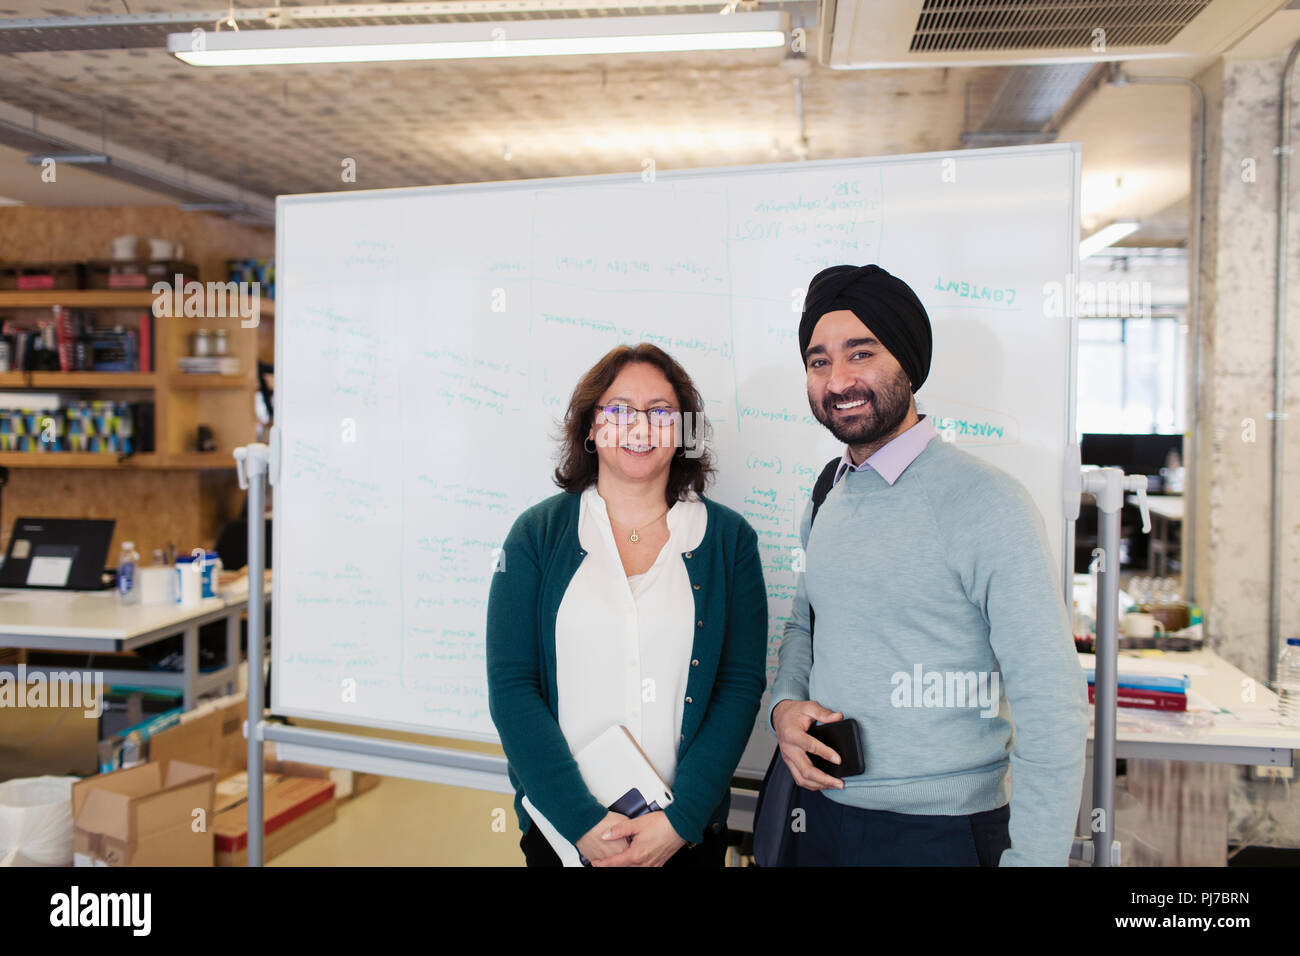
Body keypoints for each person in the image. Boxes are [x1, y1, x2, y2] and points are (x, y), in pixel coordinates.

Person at [768, 263, 1089, 866]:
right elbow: (804, 625)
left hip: (939, 834)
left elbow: (1051, 698)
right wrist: (784, 706)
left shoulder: (985, 501)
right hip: (821, 817)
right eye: (819, 361)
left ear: (907, 364)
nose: (838, 380)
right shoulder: (826, 495)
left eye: (860, 353)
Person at [487, 343, 767, 867]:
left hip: (682, 837)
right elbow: (512, 689)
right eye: (618, 411)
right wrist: (581, 823)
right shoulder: (536, 536)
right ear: (591, 428)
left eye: (661, 412)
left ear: (683, 431)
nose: (640, 427)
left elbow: (738, 686)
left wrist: (680, 822)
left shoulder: (730, 542)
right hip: (564, 837)